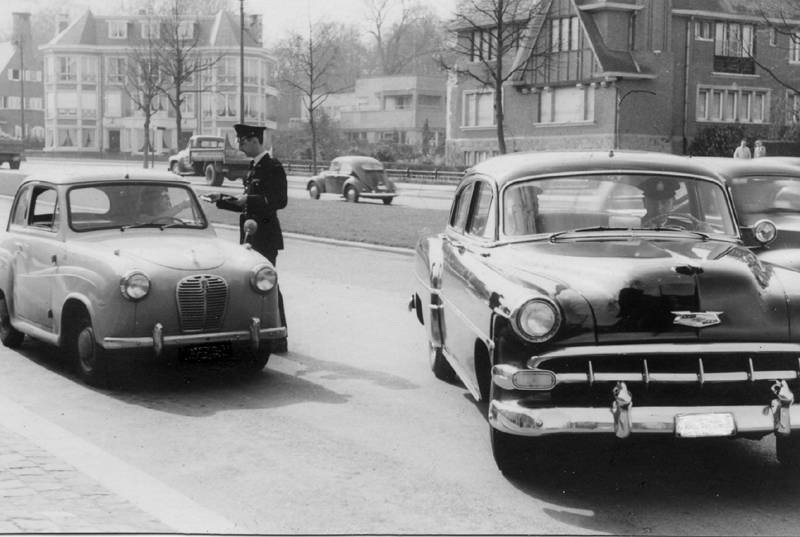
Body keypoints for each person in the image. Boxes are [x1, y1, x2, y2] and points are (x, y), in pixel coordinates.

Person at [205, 124, 289, 353]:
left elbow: (279, 201)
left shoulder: (272, 167)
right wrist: (220, 198)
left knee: (268, 284)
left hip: (266, 234)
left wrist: (248, 201)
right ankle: (262, 332)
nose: (239, 147)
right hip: (250, 235)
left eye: (241, 142)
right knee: (255, 284)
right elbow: (246, 202)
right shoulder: (254, 167)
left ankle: (280, 337)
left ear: (253, 140)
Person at [639, 177, 712, 232]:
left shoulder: (686, 229)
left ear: (673, 203)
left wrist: (709, 234)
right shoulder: (634, 226)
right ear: (644, 202)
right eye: (653, 202)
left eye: (664, 202)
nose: (659, 208)